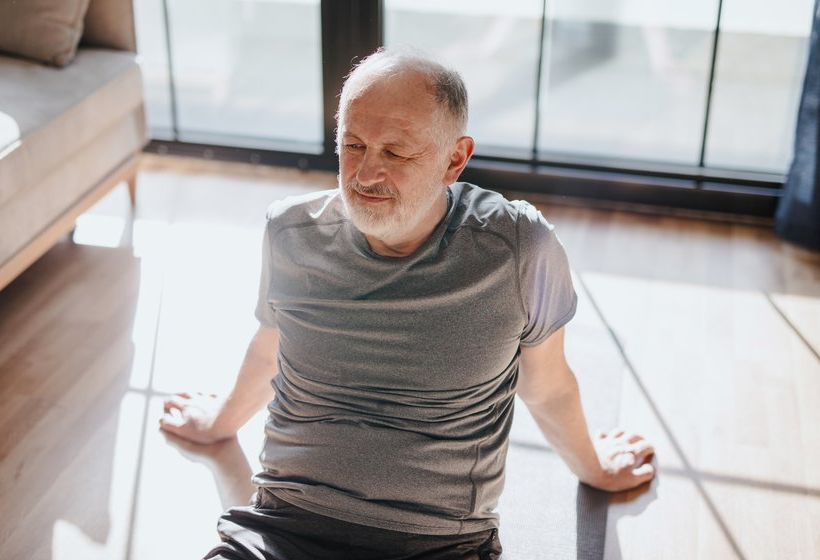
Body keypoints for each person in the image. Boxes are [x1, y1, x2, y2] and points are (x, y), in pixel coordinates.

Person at [159, 47, 656, 560]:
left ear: (455, 159)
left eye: (395, 153)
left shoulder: (517, 248)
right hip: (283, 528)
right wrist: (220, 423)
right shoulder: (291, 233)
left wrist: (595, 469)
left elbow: (547, 388)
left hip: (438, 542)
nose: (366, 174)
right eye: (353, 144)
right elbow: (272, 349)